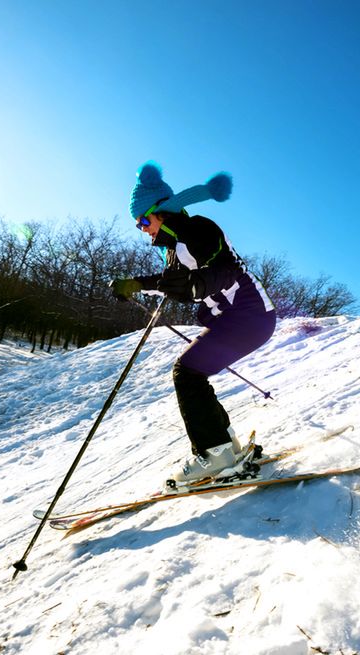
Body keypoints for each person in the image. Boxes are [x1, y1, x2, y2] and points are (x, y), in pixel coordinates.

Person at [110, 162, 277, 485]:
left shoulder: (197, 229)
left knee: (187, 373)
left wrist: (197, 286)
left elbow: (225, 269)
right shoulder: (174, 248)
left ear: (162, 211)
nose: (143, 228)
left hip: (250, 315)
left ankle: (216, 454)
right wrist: (134, 284)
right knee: (192, 373)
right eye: (137, 224)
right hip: (236, 319)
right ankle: (225, 447)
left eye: (144, 219)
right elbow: (174, 280)